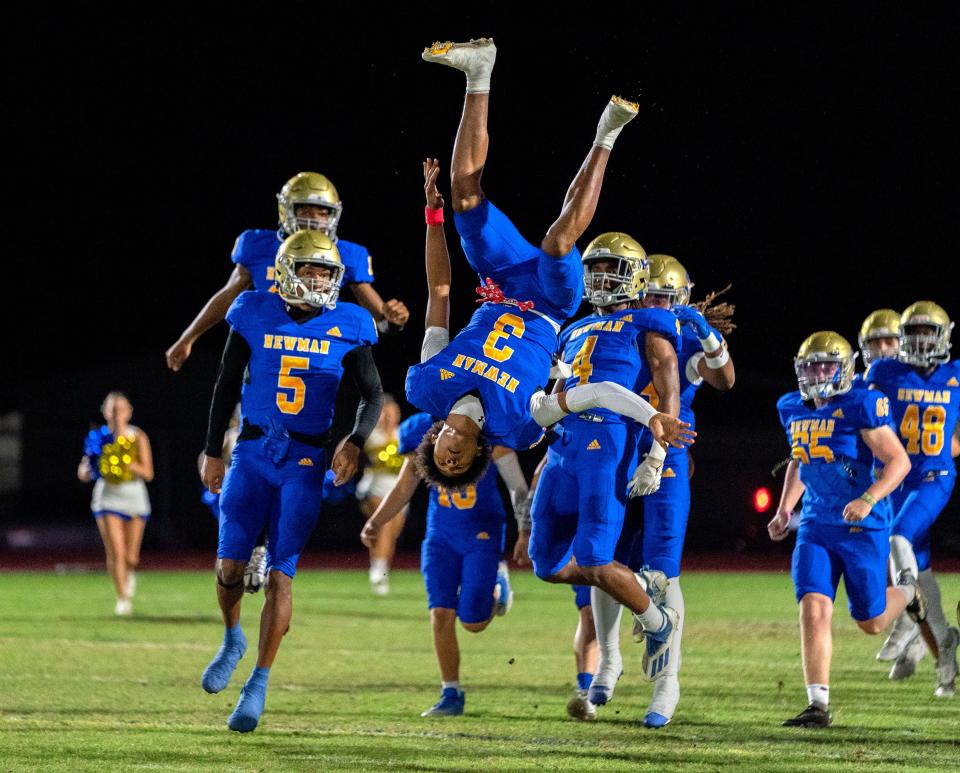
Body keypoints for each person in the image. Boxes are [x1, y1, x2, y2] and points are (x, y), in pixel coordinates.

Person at [411, 40, 688, 488]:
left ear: (433, 441)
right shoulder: (520, 424)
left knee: (464, 200)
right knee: (558, 241)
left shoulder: (426, 385)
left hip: (499, 282)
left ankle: (478, 72)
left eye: (444, 460)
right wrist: (651, 414)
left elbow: (439, 291)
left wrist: (434, 218)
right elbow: (596, 393)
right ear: (478, 453)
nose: (453, 456)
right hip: (550, 303)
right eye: (460, 465)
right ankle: (607, 135)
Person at [199, 229, 384, 732]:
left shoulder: (351, 321)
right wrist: (213, 449)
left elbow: (373, 395)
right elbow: (224, 383)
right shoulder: (253, 310)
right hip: (254, 451)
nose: (319, 279)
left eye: (327, 271)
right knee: (229, 565)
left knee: (283, 571)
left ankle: (257, 682)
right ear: (285, 271)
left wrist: (354, 440)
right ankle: (232, 635)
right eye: (310, 269)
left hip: (305, 460)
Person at [528, 231, 695, 688]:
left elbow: (668, 387)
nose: (601, 277)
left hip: (609, 441)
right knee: (543, 561)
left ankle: (658, 622)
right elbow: (562, 393)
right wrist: (544, 449)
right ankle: (642, 601)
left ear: (636, 277)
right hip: (564, 445)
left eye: (612, 269)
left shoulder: (650, 320)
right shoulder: (572, 328)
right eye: (595, 268)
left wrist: (658, 454)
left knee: (595, 554)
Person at [588, 254, 736, 727]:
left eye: (664, 298)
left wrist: (709, 336)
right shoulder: (616, 324)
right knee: (603, 559)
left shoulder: (685, 334)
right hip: (617, 446)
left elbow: (725, 379)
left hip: (666, 453)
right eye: (649, 295)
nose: (655, 304)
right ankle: (608, 658)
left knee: (662, 568)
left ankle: (667, 683)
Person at [768, 331, 916, 728]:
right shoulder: (791, 407)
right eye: (811, 365)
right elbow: (802, 459)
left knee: (871, 622)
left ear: (845, 370)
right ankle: (817, 704)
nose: (818, 373)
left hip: (863, 527)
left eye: (827, 365)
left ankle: (908, 592)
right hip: (816, 525)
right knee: (813, 608)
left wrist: (868, 498)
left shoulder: (861, 404)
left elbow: (899, 462)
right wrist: (785, 508)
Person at [360, 410, 529, 717]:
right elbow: (403, 486)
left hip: (482, 530)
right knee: (440, 613)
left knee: (473, 623)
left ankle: (497, 586)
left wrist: (525, 530)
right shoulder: (422, 427)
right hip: (441, 534)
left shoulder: (491, 427)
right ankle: (450, 692)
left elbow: (517, 487)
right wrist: (376, 521)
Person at [165, 171, 408, 372]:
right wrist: (189, 337)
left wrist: (392, 321)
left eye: (322, 212)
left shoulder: (343, 254)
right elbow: (228, 295)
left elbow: (382, 321)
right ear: (286, 210)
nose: (314, 220)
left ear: (334, 214)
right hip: (266, 342)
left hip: (315, 348)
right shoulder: (259, 246)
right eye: (304, 210)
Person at [866, 301, 960, 697]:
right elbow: (859, 414)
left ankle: (904, 610)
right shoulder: (885, 371)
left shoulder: (956, 375)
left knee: (899, 540)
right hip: (897, 481)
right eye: (914, 332)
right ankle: (946, 657)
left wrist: (943, 451)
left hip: (934, 479)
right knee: (921, 575)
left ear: (943, 335)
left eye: (928, 332)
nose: (921, 340)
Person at [77, 391, 154, 616]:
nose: (116, 413)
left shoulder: (137, 436)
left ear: (129, 411)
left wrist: (126, 464)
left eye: (120, 408)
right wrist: (84, 472)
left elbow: (148, 473)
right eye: (112, 408)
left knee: (131, 557)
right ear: (105, 412)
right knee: (116, 552)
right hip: (106, 497)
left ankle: (128, 576)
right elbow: (86, 467)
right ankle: (122, 599)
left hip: (134, 496)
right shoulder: (97, 437)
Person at [356, 395, 407, 595]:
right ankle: (378, 568)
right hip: (374, 488)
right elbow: (348, 444)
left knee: (390, 534)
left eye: (392, 413)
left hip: (399, 491)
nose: (388, 418)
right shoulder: (371, 435)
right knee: (384, 522)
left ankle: (380, 566)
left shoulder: (404, 434)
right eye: (385, 413)